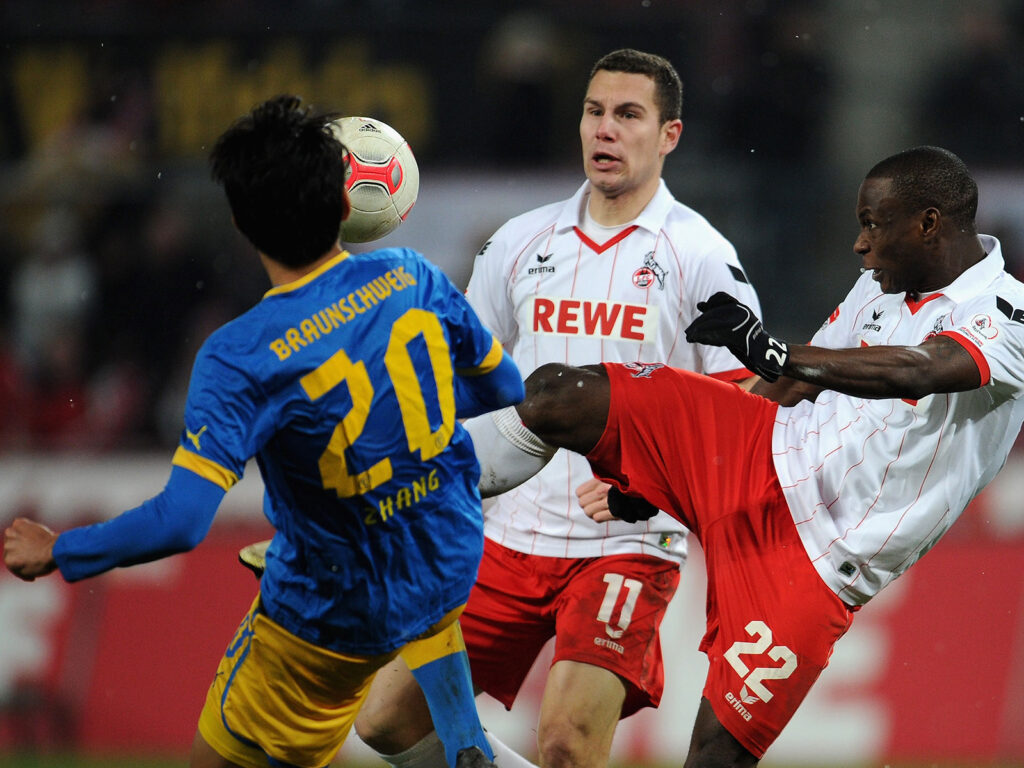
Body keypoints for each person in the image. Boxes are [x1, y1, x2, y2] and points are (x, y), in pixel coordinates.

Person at [2, 94, 525, 768]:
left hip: (333, 615)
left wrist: (60, 550)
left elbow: (181, 524)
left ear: (241, 224)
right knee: (411, 542)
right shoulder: (414, 277)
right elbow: (503, 394)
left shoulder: (238, 354)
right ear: (346, 202)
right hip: (450, 556)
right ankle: (462, 743)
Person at [458, 145, 1024, 766]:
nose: (861, 246)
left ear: (928, 223)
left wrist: (773, 351)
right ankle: (434, 487)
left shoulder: (1006, 312)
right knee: (558, 394)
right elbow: (800, 376)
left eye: (872, 224)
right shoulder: (882, 283)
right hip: (755, 450)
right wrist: (668, 468)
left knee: (714, 759)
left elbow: (921, 368)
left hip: (814, 561)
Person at [353, 48, 763, 768]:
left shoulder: (700, 256)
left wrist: (650, 482)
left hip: (625, 546)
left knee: (568, 743)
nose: (605, 130)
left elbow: (745, 402)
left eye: (628, 115)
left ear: (669, 135)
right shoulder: (520, 241)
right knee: (386, 721)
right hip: (506, 534)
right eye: (594, 111)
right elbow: (463, 375)